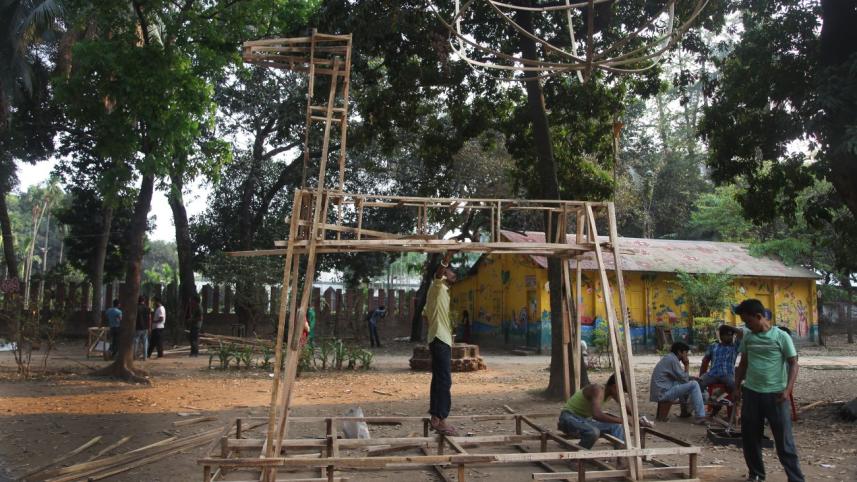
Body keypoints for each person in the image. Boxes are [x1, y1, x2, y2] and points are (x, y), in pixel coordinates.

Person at [733, 299, 804, 482]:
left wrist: (788, 390)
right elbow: (743, 364)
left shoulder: (781, 336)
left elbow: (794, 364)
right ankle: (756, 475)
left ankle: (795, 478)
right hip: (751, 393)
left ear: (759, 316)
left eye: (748, 321)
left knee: (784, 442)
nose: (746, 326)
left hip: (776, 396)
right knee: (750, 439)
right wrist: (737, 387)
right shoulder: (748, 337)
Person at [423, 251, 457, 435]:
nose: (454, 274)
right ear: (444, 274)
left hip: (438, 338)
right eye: (450, 271)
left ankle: (436, 417)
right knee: (444, 380)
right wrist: (447, 258)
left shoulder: (436, 292)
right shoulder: (437, 286)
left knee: (439, 379)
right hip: (439, 339)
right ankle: (440, 419)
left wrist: (435, 329)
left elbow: (424, 315)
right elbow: (438, 274)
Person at [558, 373, 628, 449]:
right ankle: (578, 457)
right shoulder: (597, 390)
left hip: (585, 420)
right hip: (568, 418)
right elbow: (597, 415)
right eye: (623, 391)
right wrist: (622, 420)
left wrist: (638, 419)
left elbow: (627, 408)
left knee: (617, 427)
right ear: (614, 387)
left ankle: (620, 454)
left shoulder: (613, 392)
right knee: (593, 432)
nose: (622, 394)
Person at [649, 341, 707, 424]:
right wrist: (687, 364)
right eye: (686, 353)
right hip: (662, 394)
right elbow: (684, 379)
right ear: (680, 352)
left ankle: (685, 411)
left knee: (687, 382)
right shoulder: (673, 360)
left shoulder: (669, 358)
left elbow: (681, 378)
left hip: (660, 391)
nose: (687, 356)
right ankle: (700, 416)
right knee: (694, 385)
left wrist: (692, 378)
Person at [698, 324, 743, 414]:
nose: (730, 337)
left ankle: (733, 412)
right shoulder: (713, 346)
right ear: (721, 336)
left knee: (735, 387)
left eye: (731, 335)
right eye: (727, 334)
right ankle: (698, 411)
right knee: (696, 385)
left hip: (727, 375)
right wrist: (701, 376)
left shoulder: (735, 347)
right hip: (712, 374)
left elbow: (741, 333)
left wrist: (730, 327)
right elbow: (705, 361)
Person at [133, 295, 151, 360]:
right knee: (145, 342)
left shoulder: (136, 308)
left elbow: (134, 318)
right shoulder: (147, 308)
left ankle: (134, 357)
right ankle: (145, 357)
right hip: (145, 327)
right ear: (144, 301)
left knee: (136, 341)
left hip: (137, 327)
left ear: (138, 300)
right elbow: (149, 318)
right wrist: (149, 327)